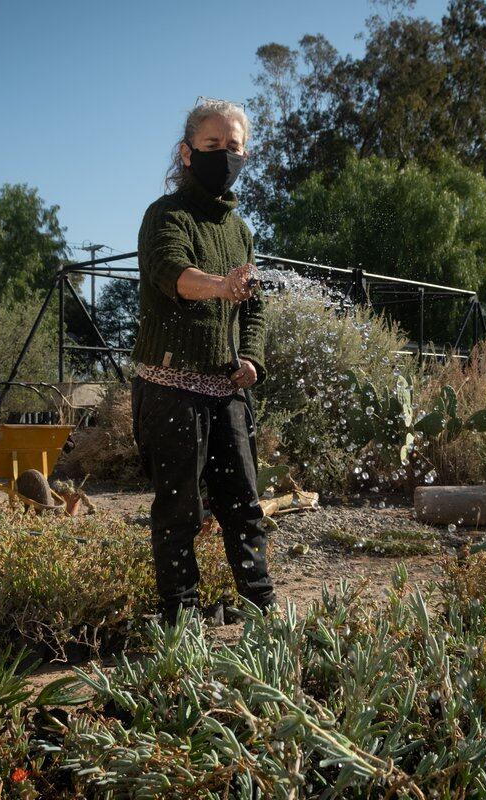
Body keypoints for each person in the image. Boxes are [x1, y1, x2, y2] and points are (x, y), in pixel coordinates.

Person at [130, 98, 275, 622]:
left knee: (244, 506)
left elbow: (254, 305)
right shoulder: (166, 216)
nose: (224, 155)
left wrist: (252, 357)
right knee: (179, 512)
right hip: (169, 389)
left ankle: (261, 611)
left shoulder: (240, 231)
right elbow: (172, 273)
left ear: (245, 153)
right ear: (186, 153)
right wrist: (220, 285)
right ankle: (182, 621)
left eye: (233, 147)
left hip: (225, 388)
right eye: (212, 146)